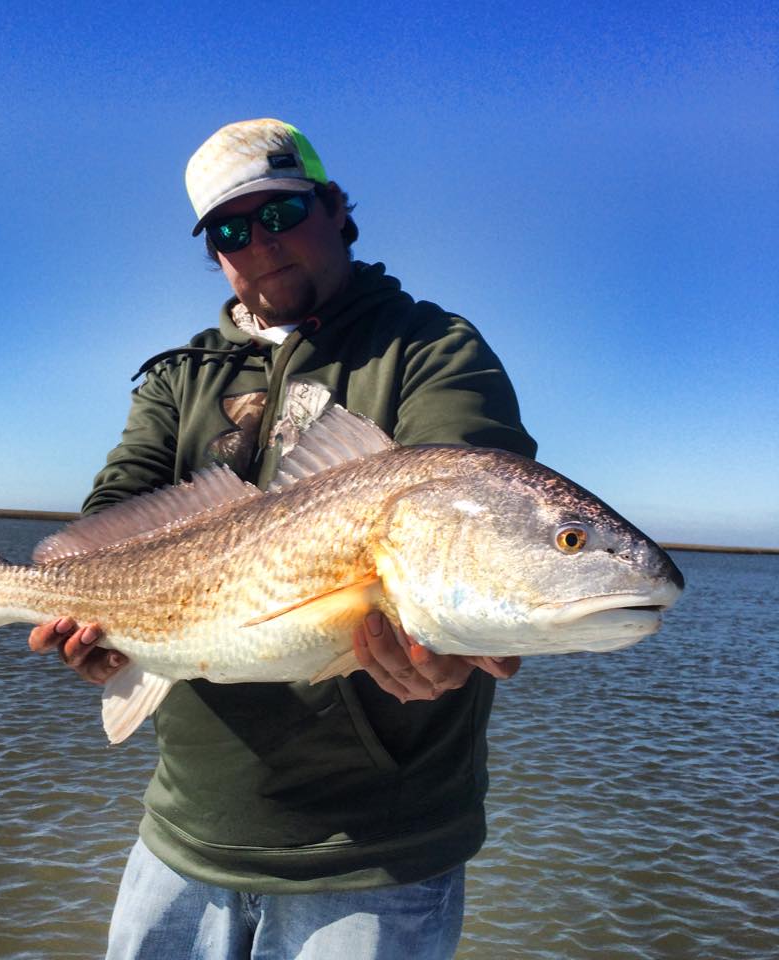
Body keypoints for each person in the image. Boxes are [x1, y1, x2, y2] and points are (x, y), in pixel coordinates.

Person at [29, 118, 537, 960]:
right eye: (230, 230)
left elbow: (466, 503)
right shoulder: (178, 376)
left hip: (374, 859)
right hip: (184, 831)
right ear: (213, 254)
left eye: (281, 213)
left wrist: (448, 641)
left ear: (336, 207)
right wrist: (93, 623)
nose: (258, 245)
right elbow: (115, 504)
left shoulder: (433, 350)